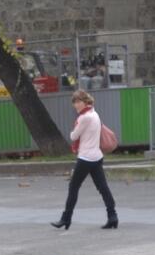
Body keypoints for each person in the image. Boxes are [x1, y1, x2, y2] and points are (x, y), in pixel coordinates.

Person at [51, 90, 118, 230]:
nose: (76, 105)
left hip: (86, 158)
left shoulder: (84, 118)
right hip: (97, 157)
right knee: (103, 188)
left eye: (78, 102)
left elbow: (73, 137)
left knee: (73, 187)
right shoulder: (95, 114)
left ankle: (65, 219)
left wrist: (72, 132)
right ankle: (113, 216)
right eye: (74, 102)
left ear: (85, 101)